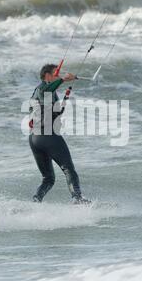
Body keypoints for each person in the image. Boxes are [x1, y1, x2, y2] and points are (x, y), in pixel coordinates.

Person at [29, 64, 90, 204]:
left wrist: (62, 104)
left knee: (48, 178)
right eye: (56, 73)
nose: (58, 75)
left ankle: (36, 200)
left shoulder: (41, 93)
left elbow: (50, 112)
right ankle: (77, 198)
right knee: (69, 169)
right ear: (48, 76)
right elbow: (47, 89)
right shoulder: (43, 88)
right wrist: (63, 80)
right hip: (47, 136)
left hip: (34, 139)